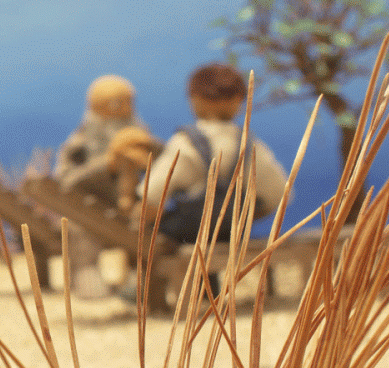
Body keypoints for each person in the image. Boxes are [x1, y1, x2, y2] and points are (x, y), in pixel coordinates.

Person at [135, 63, 287, 247]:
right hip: (229, 236)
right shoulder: (251, 145)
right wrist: (243, 219)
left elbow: (152, 195)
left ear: (195, 99)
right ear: (238, 100)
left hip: (187, 237)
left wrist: (137, 225)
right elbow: (277, 193)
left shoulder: (186, 143)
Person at [50, 75, 153, 298]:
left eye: (127, 103)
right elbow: (65, 181)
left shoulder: (139, 134)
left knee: (148, 224)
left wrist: (148, 154)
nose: (123, 110)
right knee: (80, 229)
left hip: (130, 206)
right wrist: (107, 164)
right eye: (115, 104)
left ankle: (139, 281)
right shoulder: (79, 144)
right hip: (89, 209)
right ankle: (88, 279)